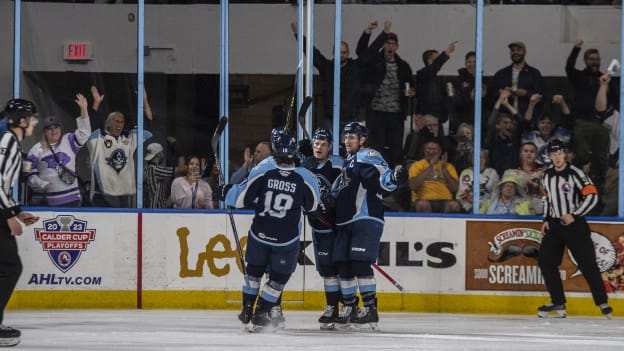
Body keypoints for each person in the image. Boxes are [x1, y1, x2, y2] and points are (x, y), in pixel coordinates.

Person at [222, 127, 321, 332]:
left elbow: (240, 199)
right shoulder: (305, 177)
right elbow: (312, 207)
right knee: (276, 280)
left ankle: (247, 309)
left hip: (259, 235)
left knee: (254, 273)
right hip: (285, 240)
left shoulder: (263, 169)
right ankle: (261, 313)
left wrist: (226, 192)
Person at [331, 122, 401, 329]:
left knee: (360, 264)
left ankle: (370, 308)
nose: (347, 140)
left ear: (362, 140)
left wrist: (393, 179)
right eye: (346, 137)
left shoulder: (368, 155)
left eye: (352, 137)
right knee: (343, 265)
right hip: (345, 220)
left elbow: (384, 177)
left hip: (365, 217)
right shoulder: (347, 162)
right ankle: (351, 307)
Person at [537, 139, 612, 319]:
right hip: (555, 226)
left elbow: (592, 195)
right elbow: (546, 197)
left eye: (559, 153)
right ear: (549, 156)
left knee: (588, 264)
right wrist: (546, 218)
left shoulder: (575, 173)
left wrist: (575, 214)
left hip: (575, 227)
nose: (557, 157)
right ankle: (558, 302)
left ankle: (602, 302)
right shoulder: (546, 175)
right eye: (553, 154)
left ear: (566, 154)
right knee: (546, 262)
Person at [0, 98, 40, 347]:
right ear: (22, 121)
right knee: (10, 267)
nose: (35, 123)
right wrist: (10, 216)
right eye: (32, 119)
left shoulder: (10, 142)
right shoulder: (8, 142)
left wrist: (17, 211)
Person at [298, 128, 344, 330]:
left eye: (323, 144)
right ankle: (333, 307)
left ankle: (346, 307)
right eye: (316, 143)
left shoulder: (337, 165)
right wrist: (301, 167)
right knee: (327, 270)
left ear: (330, 146)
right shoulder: (306, 165)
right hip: (317, 227)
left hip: (337, 226)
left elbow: (342, 192)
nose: (319, 147)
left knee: (341, 270)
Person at [357, 20, 414, 168]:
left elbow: (411, 85)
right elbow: (362, 52)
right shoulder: (374, 61)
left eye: (392, 44)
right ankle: (376, 176)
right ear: (383, 45)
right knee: (376, 147)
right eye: (387, 43)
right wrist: (368, 32)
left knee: (396, 150)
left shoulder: (403, 65)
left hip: (396, 114)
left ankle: (394, 180)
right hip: (376, 112)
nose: (390, 46)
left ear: (397, 46)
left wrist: (411, 91)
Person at [290, 21, 362, 126]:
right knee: (328, 142)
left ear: (348, 53)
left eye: (344, 52)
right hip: (330, 118)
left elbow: (368, 55)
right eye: (339, 52)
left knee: (351, 143)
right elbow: (312, 53)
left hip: (351, 118)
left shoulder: (355, 67)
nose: (341, 55)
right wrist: (298, 34)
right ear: (333, 52)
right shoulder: (327, 67)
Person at [26, 94, 91, 207]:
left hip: (71, 200)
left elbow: (84, 132)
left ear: (60, 129)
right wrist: (42, 184)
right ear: (45, 131)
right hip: (45, 202)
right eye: (49, 128)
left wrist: (84, 109)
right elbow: (28, 175)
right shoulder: (35, 149)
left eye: (56, 127)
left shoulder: (69, 141)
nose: (53, 131)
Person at [86, 111, 152, 208]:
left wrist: (144, 100)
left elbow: (146, 126)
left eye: (121, 122)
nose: (119, 124)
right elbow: (91, 126)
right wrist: (96, 104)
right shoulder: (100, 140)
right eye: (116, 121)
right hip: (103, 195)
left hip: (123, 196)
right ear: (108, 123)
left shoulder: (128, 142)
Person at [490, 41, 544, 120]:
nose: (515, 52)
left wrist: (526, 93)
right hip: (506, 119)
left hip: (527, 118)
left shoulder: (534, 73)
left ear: (525, 52)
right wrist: (501, 92)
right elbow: (491, 94)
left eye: (518, 50)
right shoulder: (501, 74)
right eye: (512, 50)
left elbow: (542, 94)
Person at [408, 139, 461, 213]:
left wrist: (444, 169)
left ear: (440, 152)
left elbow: (455, 188)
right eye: (428, 149)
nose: (431, 152)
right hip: (423, 199)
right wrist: (430, 166)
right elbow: (413, 186)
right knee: (423, 205)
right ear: (424, 151)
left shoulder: (449, 166)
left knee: (454, 205)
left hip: (444, 200)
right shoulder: (416, 165)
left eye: (434, 149)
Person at [415, 41, 457, 132]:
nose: (439, 63)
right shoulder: (422, 74)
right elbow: (434, 67)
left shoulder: (438, 80)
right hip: (426, 119)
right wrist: (446, 53)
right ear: (429, 60)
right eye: (437, 59)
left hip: (439, 119)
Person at [456, 149, 499, 213]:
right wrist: (474, 205)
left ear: (486, 159)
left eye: (482, 157)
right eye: (476, 157)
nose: (479, 160)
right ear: (471, 160)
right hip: (470, 208)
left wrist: (486, 204)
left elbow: (496, 192)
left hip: (489, 207)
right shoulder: (466, 173)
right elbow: (462, 195)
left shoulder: (492, 172)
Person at [143, 142, 175, 209]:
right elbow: (174, 170)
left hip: (149, 208)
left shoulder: (146, 168)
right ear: (158, 154)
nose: (163, 155)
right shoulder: (154, 169)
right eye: (162, 153)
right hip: (155, 210)